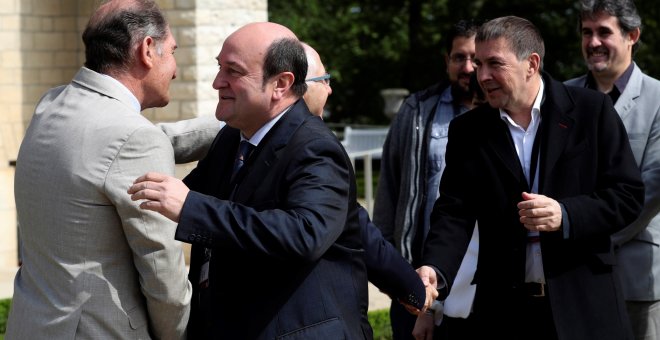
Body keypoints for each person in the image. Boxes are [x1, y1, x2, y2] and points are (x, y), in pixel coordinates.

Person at [127, 22, 373, 339]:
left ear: (281, 84)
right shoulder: (233, 137)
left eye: (233, 71)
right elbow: (182, 203)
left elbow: (304, 234)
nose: (217, 82)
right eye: (219, 68)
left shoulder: (316, 148)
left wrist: (191, 207)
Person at [418, 15, 644, 340]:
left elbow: (627, 195)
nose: (481, 76)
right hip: (505, 312)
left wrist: (566, 214)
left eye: (494, 64)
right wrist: (434, 269)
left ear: (531, 64)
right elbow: (454, 211)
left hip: (584, 306)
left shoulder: (591, 111)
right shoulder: (469, 130)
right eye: (479, 64)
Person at [6, 0, 192, 339]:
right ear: (147, 50)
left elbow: (116, 150)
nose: (176, 69)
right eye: (173, 52)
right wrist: (174, 333)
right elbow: (161, 269)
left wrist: (231, 125)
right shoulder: (133, 137)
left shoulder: (52, 105)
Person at [373, 19, 481, 340]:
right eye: (459, 57)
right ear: (446, 60)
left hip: (478, 278)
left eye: (476, 58)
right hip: (418, 276)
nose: (468, 67)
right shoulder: (417, 111)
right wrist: (390, 268)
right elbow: (389, 189)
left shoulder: (502, 114)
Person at [301, 42, 430, 309]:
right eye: (323, 80)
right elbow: (356, 226)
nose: (330, 88)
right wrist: (413, 288)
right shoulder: (317, 145)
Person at [565, 1, 660, 338]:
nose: (593, 42)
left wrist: (580, 233)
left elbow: (651, 190)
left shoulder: (659, 99)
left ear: (632, 35)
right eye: (586, 32)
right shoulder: (560, 97)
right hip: (569, 276)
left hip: (635, 279)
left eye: (604, 32)